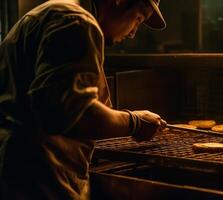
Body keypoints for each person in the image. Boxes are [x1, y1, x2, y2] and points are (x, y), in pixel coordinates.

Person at [0, 0, 167, 199]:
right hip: (39, 179)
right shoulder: (77, 22)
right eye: (138, 19)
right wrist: (134, 122)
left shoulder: (54, 13)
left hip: (16, 172)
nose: (133, 33)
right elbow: (74, 114)